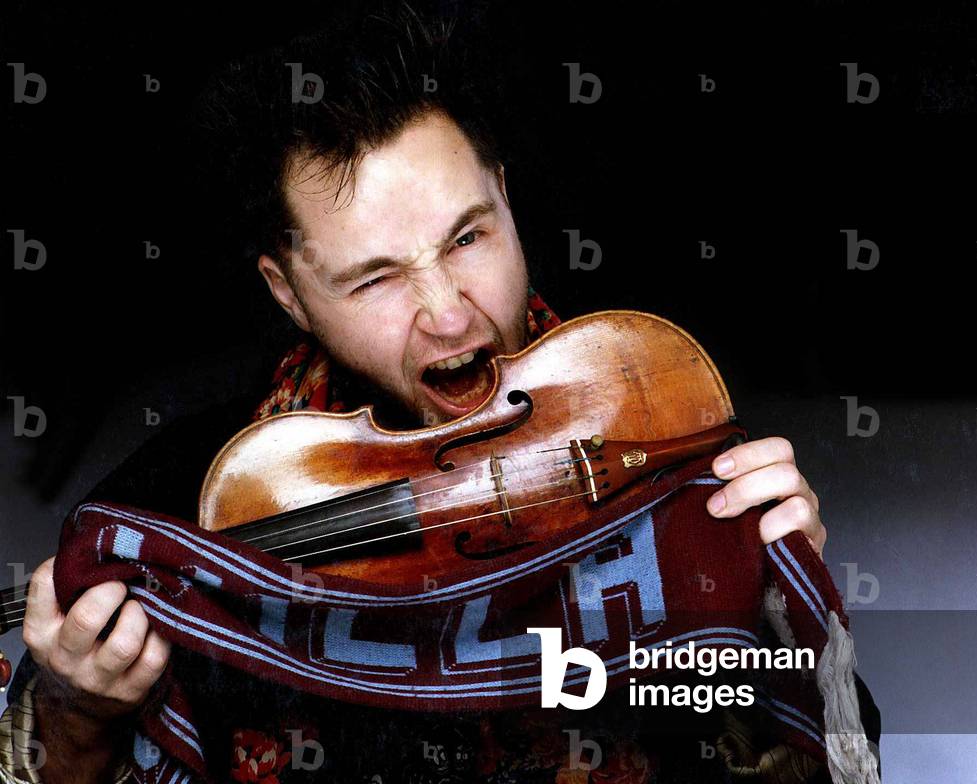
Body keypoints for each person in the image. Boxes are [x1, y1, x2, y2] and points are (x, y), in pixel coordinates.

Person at [1, 4, 876, 782]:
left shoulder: (652, 417)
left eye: (466, 238)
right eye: (375, 280)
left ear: (504, 193)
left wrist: (775, 621)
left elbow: (822, 749)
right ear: (288, 291)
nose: (449, 316)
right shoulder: (177, 507)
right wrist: (82, 714)